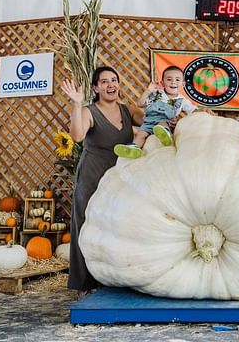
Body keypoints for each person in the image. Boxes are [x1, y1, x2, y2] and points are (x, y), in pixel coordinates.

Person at [60, 66, 144, 299]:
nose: (110, 85)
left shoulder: (128, 110)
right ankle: (84, 283)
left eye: (114, 80)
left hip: (121, 176)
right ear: (96, 88)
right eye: (104, 81)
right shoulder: (89, 111)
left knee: (119, 224)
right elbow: (77, 136)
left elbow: (152, 121)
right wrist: (76, 104)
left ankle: (115, 279)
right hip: (93, 174)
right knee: (86, 223)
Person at [113, 66, 196, 159]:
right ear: (162, 83)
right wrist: (148, 90)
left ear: (183, 84)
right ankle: (133, 148)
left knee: (162, 124)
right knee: (141, 134)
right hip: (149, 122)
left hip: (165, 121)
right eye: (169, 79)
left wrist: (204, 110)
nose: (173, 82)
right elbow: (139, 104)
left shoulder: (182, 100)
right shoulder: (157, 94)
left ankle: (165, 135)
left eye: (177, 79)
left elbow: (193, 111)